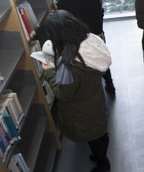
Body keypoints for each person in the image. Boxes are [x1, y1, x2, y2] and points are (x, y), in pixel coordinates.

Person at [42, 10, 112, 172]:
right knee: (101, 131)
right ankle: (102, 157)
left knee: (93, 138)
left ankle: (103, 164)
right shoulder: (92, 40)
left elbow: (63, 94)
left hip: (81, 111)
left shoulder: (69, 62)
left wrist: (49, 71)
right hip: (96, 99)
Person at [52, 0, 116, 93]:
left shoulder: (63, 4)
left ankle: (96, 88)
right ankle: (109, 84)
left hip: (79, 41)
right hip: (96, 34)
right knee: (100, 58)